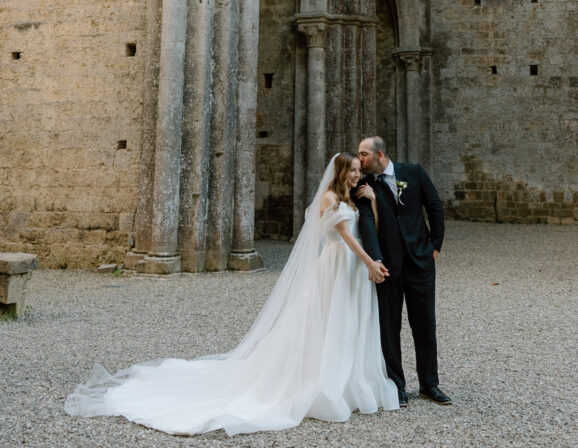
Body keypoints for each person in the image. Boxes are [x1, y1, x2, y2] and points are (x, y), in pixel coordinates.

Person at [65, 153, 399, 436]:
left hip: (352, 270)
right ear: (341, 172)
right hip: (339, 266)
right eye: (352, 170)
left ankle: (350, 382)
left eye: (359, 169)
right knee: (330, 322)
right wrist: (370, 262)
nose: (357, 174)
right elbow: (345, 237)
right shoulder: (329, 198)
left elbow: (366, 229)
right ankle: (325, 384)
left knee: (348, 325)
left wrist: (371, 204)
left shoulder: (352, 198)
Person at [355, 135, 451, 408]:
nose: (360, 160)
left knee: (424, 325)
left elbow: (434, 207)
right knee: (389, 328)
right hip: (388, 267)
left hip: (421, 262)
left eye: (364, 154)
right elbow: (366, 223)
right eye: (359, 155)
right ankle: (396, 385)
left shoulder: (413, 172)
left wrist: (435, 246)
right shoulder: (363, 186)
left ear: (380, 154)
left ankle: (429, 384)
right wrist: (375, 260)